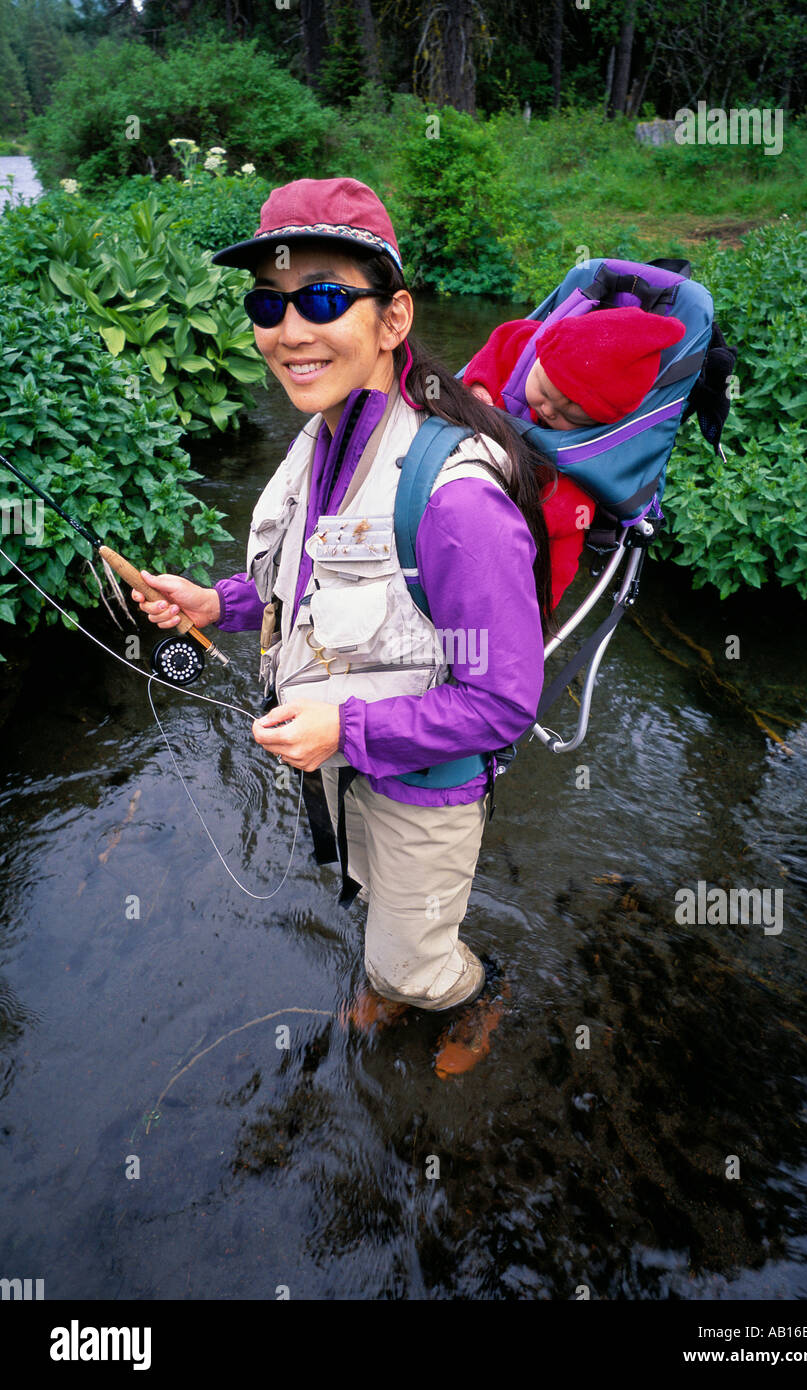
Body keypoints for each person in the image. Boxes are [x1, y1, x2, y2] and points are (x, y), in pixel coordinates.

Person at [131, 177, 555, 1075]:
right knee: (372, 897)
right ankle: (403, 964)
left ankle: (469, 990)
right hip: (346, 763)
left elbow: (505, 701)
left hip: (420, 780)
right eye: (267, 303)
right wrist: (217, 604)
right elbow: (306, 579)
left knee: (409, 951)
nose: (288, 330)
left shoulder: (456, 501)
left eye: (323, 299)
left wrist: (345, 727)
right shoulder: (324, 430)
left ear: (393, 320)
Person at [463, 306, 687, 606]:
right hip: (473, 455)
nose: (549, 410)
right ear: (541, 352)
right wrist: (479, 384)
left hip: (523, 503)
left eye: (571, 416)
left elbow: (561, 562)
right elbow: (501, 341)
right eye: (544, 389)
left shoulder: (579, 473)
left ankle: (536, 612)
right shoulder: (528, 345)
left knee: (567, 523)